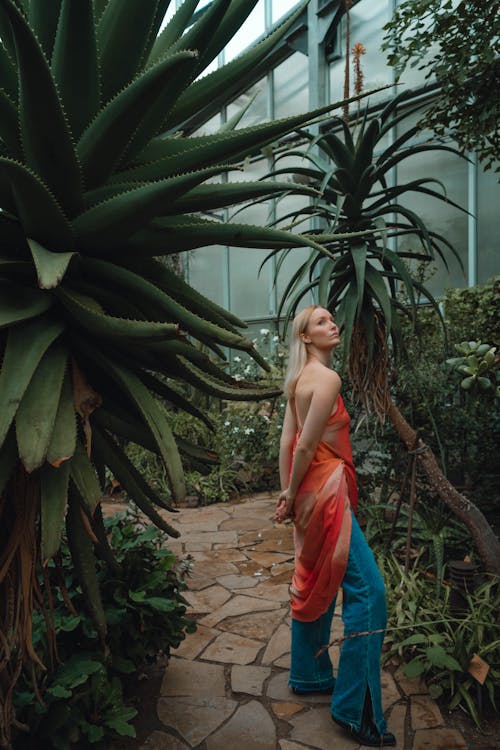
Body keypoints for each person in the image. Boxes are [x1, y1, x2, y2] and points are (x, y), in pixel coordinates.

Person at [275, 305, 396, 747]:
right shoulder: (326, 379)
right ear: (305, 337)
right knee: (368, 591)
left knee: (316, 575)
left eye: (333, 320)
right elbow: (305, 443)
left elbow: (288, 442)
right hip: (325, 493)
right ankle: (354, 710)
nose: (334, 326)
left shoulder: (297, 381)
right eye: (323, 322)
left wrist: (289, 494)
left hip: (310, 493)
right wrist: (292, 495)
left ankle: (308, 675)